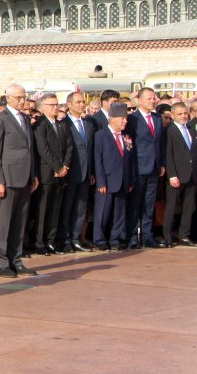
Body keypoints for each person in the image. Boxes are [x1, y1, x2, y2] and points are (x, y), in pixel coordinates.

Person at [0, 83, 39, 278]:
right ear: (8, 98)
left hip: (25, 176)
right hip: (8, 177)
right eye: (19, 97)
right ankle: (2, 262)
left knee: (19, 221)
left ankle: (16, 259)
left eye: (24, 97)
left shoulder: (25, 119)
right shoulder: (0, 119)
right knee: (4, 222)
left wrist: (33, 174)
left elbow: (29, 149)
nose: (22, 101)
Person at [125, 87, 166, 248]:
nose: (153, 100)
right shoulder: (132, 119)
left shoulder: (156, 118)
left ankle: (147, 236)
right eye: (149, 98)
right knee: (135, 205)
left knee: (149, 205)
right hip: (138, 168)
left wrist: (161, 163)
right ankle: (133, 237)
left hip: (154, 168)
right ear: (139, 100)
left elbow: (160, 143)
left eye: (154, 98)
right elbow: (129, 144)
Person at [32, 93, 72, 255]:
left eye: (56, 104)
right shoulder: (39, 125)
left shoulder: (62, 125)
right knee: (42, 210)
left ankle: (50, 240)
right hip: (46, 173)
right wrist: (57, 167)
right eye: (51, 105)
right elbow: (43, 149)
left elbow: (69, 146)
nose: (55, 107)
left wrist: (66, 166)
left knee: (55, 210)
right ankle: (39, 242)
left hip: (61, 174)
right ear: (42, 107)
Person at [93, 102, 135, 250]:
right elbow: (98, 160)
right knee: (103, 213)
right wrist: (101, 182)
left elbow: (130, 160)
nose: (125, 121)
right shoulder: (100, 136)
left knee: (119, 213)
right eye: (122, 118)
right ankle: (99, 239)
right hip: (107, 181)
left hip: (122, 181)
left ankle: (115, 239)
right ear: (112, 118)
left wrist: (130, 180)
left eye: (126, 118)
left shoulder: (126, 137)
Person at [57, 92, 95, 252]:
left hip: (85, 173)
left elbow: (90, 150)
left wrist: (92, 172)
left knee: (81, 208)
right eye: (78, 102)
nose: (82, 105)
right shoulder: (63, 124)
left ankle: (76, 238)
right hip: (70, 173)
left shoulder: (88, 124)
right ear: (69, 104)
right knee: (67, 209)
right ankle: (65, 240)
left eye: (83, 102)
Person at [163, 102, 196, 246]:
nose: (183, 116)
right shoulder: (170, 131)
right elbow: (168, 154)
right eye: (180, 114)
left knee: (189, 206)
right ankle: (168, 237)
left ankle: (184, 235)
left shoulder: (190, 128)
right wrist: (172, 175)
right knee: (171, 207)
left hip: (192, 174)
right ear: (173, 115)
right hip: (176, 175)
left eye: (185, 113)